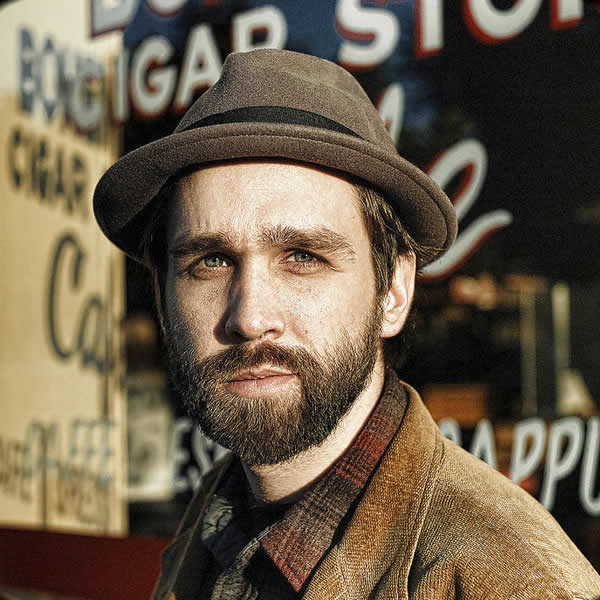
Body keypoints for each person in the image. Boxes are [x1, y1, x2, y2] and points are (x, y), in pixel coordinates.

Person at [94, 49, 600, 599]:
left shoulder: (507, 579)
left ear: (394, 291)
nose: (250, 318)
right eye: (210, 261)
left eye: (303, 257)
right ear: (163, 295)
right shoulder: (221, 511)